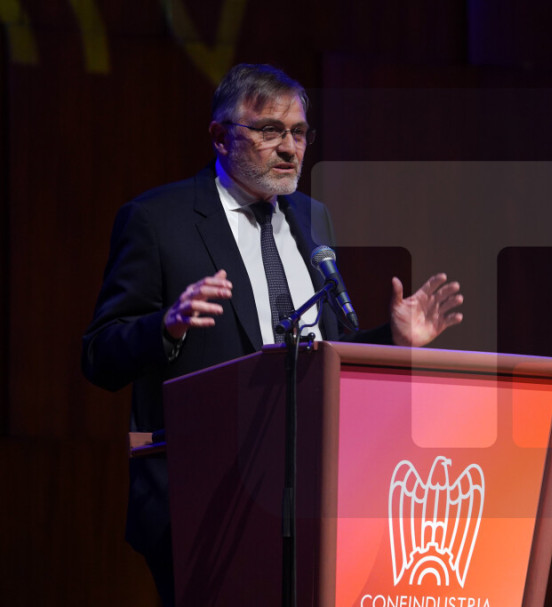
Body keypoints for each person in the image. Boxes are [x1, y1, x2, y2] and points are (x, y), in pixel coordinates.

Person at [81, 63, 464, 605]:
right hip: (204, 502)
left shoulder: (312, 217)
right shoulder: (157, 220)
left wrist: (392, 341)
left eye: (299, 132)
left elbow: (320, 355)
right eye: (269, 131)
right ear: (220, 136)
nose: (289, 148)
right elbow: (99, 354)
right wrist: (165, 326)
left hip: (312, 497)